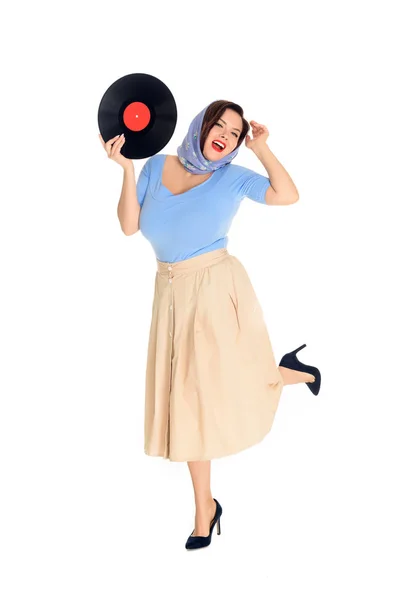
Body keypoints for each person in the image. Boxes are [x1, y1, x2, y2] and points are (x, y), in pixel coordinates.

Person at [99, 99, 321, 551]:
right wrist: (125, 168)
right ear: (201, 125)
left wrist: (262, 149)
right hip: (171, 295)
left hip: (217, 288)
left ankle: (293, 373)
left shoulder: (232, 178)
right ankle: (207, 506)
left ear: (238, 142)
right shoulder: (155, 167)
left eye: (235, 133)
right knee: (188, 401)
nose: (224, 134)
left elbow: (288, 195)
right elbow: (128, 227)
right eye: (219, 124)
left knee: (209, 392)